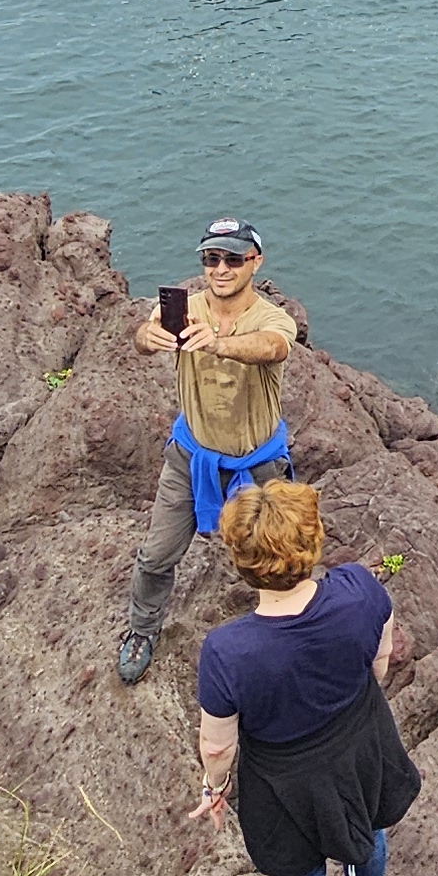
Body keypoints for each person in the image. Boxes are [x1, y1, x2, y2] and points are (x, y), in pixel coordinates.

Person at [192, 481, 417, 876]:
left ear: (242, 562)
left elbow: (218, 743)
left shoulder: (228, 651)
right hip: (362, 739)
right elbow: (381, 658)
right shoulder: (360, 589)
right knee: (370, 830)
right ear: (313, 542)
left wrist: (215, 788)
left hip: (285, 778)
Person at [117, 216, 298, 684]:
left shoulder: (269, 317)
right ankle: (141, 630)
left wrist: (219, 343)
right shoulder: (185, 306)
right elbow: (142, 336)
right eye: (211, 258)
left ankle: (292, 638)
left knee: (277, 560)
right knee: (156, 556)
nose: (221, 268)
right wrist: (147, 336)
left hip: (258, 466)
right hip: (190, 459)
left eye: (233, 259)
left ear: (255, 263)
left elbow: (273, 347)